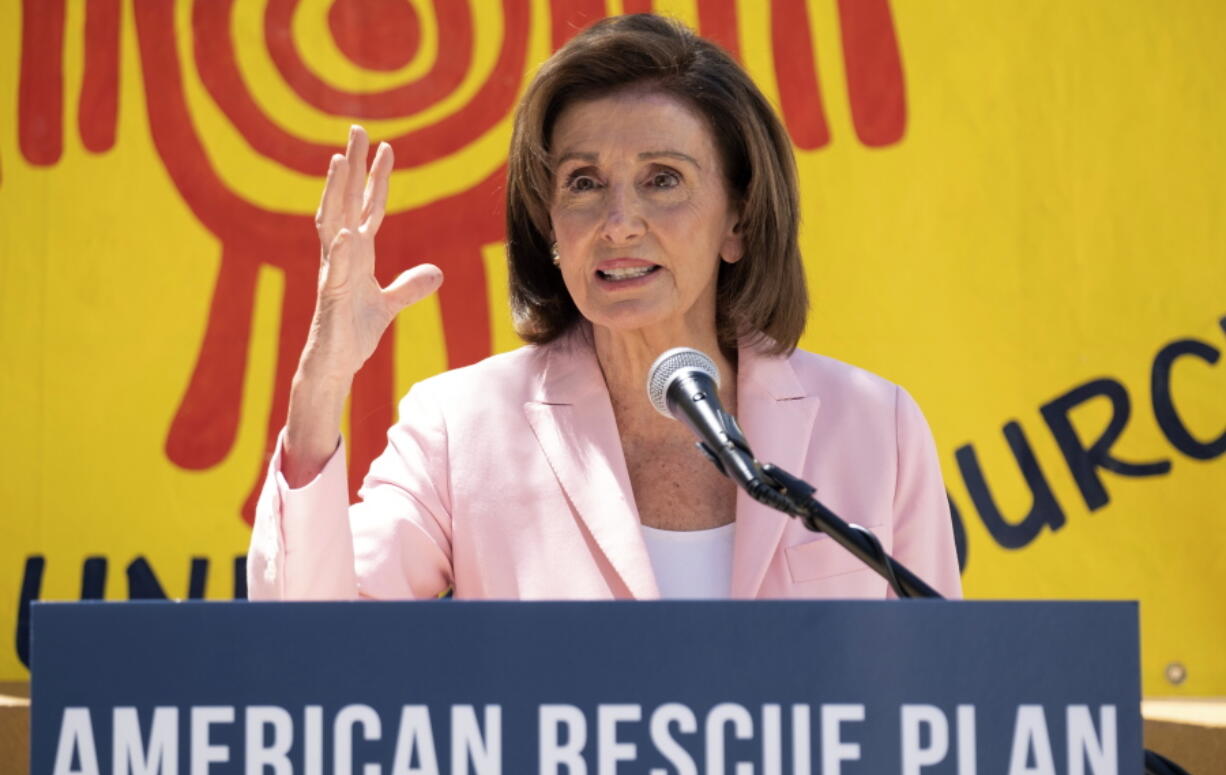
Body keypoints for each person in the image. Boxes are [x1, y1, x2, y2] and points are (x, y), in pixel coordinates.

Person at [247, 14, 962, 601]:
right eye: (584, 183)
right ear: (550, 225)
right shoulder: (460, 429)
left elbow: (939, 696)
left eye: (663, 180)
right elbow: (309, 641)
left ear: (737, 223)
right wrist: (320, 389)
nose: (618, 222)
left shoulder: (875, 428)